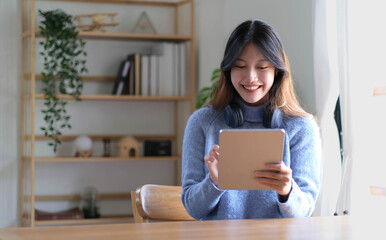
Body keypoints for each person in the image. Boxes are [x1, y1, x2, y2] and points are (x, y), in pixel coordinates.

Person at [181, 20, 321, 220]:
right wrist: (213, 182)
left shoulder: (302, 128)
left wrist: (287, 191)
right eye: (240, 66)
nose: (250, 77)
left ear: (277, 72)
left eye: (262, 67)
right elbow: (193, 209)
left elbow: (305, 210)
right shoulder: (202, 122)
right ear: (228, 70)